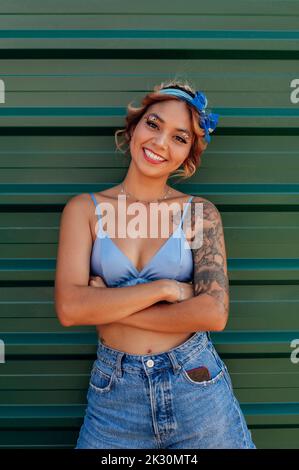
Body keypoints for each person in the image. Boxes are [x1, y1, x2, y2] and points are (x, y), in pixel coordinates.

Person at [54, 79, 256, 449]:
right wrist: (166, 289)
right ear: (133, 128)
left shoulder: (199, 213)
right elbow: (69, 308)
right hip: (115, 394)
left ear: (189, 155)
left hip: (195, 383)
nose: (160, 143)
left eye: (180, 138)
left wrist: (106, 307)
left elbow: (213, 313)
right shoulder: (84, 210)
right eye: (153, 124)